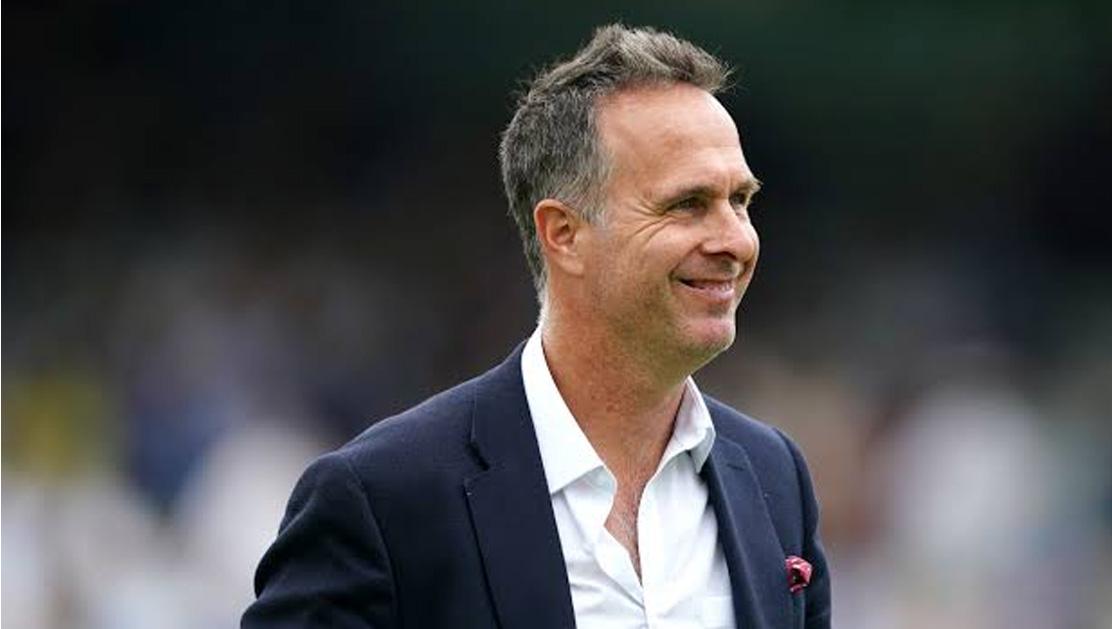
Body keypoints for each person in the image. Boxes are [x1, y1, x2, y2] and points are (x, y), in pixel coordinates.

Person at [243, 24, 830, 629]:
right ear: (563, 234)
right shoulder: (382, 500)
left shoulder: (775, 477)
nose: (735, 240)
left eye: (741, 201)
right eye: (687, 204)